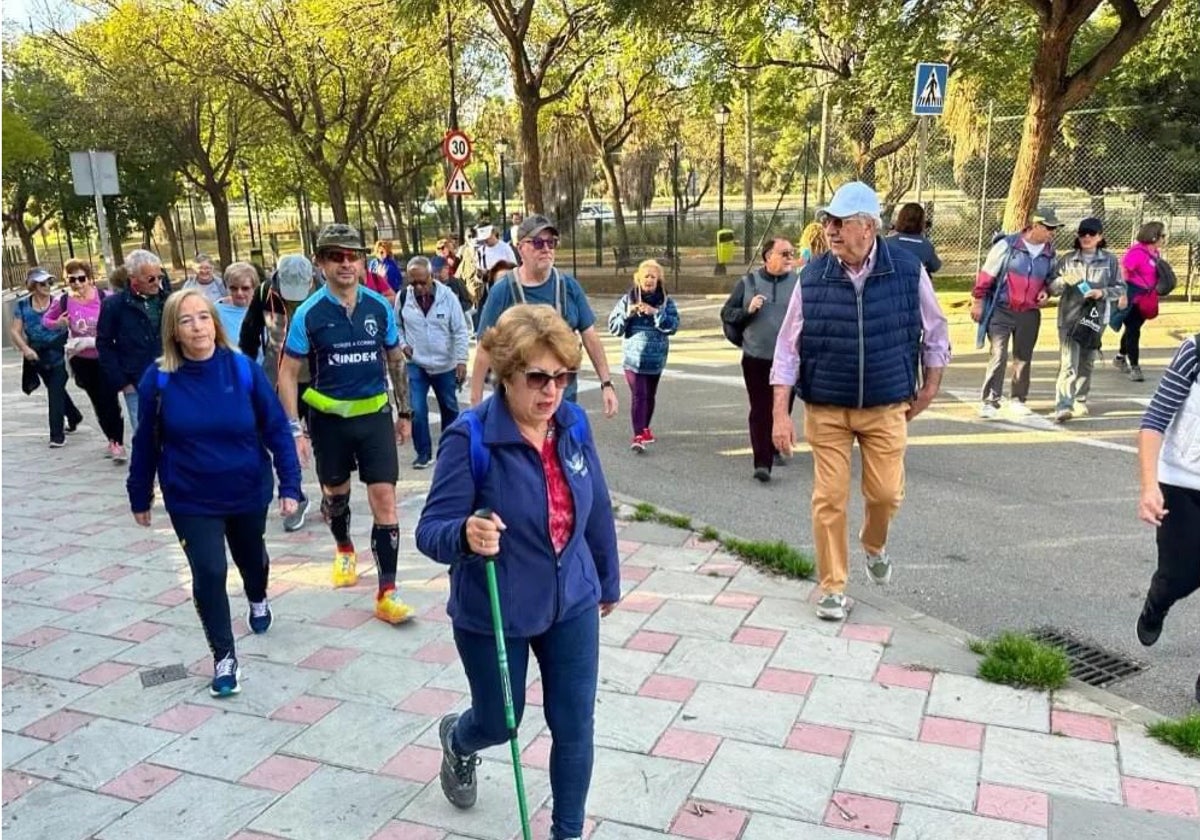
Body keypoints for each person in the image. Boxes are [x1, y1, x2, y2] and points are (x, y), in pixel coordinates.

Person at [415, 305, 620, 840]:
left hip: (570, 600)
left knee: (575, 725)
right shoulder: (471, 438)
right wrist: (464, 534)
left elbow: (595, 505)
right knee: (502, 721)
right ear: (507, 375)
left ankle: (567, 832)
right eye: (537, 378)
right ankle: (459, 741)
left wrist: (606, 576)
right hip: (495, 609)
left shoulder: (572, 425)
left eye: (562, 377)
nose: (551, 391)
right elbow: (430, 529)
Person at [771, 181, 950, 622]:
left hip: (887, 404)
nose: (829, 230)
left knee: (886, 493)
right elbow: (787, 348)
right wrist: (780, 413)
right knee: (828, 497)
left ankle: (874, 544)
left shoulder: (908, 271)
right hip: (827, 406)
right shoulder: (812, 277)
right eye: (827, 221)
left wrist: (929, 386)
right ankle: (832, 586)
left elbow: (936, 329)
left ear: (868, 227)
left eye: (839, 222)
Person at [126, 289, 302, 697]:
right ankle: (224, 657)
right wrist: (139, 494)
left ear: (215, 322)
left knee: (250, 559)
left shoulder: (241, 370)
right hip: (190, 496)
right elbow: (145, 442)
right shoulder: (160, 378)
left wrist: (290, 484)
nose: (197, 326)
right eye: (186, 320)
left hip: (245, 489)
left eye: (203, 317)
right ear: (174, 330)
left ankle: (258, 597)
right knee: (208, 571)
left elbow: (275, 428)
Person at [276, 223, 416, 624]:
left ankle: (387, 592)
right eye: (335, 256)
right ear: (320, 263)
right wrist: (294, 429)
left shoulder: (378, 306)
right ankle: (344, 550)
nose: (346, 263)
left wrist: (404, 412)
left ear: (363, 261)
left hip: (373, 417)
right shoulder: (308, 313)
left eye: (353, 255)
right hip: (329, 421)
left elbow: (395, 360)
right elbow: (287, 374)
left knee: (385, 499)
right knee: (335, 495)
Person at [470, 214, 619, 419]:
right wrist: (475, 405)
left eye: (551, 242)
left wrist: (607, 383)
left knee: (564, 448)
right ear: (521, 248)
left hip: (561, 399)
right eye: (538, 242)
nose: (546, 248)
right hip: (518, 406)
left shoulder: (569, 287)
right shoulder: (503, 291)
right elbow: (484, 348)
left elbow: (590, 336)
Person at [1133, 332, 1200, 703]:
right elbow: (1154, 420)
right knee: (1181, 575)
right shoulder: (1195, 350)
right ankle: (1158, 601)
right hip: (1182, 484)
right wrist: (1148, 487)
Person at [239, 254, 321, 532]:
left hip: (319, 378)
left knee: (324, 440)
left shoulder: (325, 291)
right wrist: (245, 373)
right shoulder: (265, 292)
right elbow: (249, 334)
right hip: (277, 377)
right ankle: (295, 496)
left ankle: (333, 497)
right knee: (285, 438)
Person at [720, 237, 799, 482]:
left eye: (791, 253)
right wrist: (748, 310)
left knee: (782, 408)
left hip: (788, 360)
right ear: (768, 256)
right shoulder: (749, 282)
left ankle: (774, 444)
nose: (789, 258)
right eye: (784, 253)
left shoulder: (799, 284)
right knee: (760, 408)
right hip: (756, 357)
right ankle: (762, 462)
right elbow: (726, 313)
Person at [971, 208, 1061, 419]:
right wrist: (978, 301)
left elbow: (1051, 279)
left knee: (1023, 356)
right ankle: (990, 401)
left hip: (1029, 312)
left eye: (1054, 229)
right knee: (998, 354)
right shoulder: (1008, 245)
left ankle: (1018, 399)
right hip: (1002, 309)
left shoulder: (1049, 253)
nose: (1052, 233)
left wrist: (1046, 292)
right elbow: (987, 274)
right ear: (1036, 226)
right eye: (1049, 228)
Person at [41, 260, 126, 459]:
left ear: (89, 279)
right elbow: (46, 321)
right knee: (98, 402)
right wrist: (59, 323)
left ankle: (118, 441)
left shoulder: (105, 298)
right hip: (82, 361)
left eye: (81, 278)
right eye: (72, 279)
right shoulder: (63, 301)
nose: (77, 283)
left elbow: (120, 322)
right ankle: (112, 440)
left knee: (110, 400)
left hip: (104, 357)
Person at [1047, 217, 1124, 423]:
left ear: (1100, 237)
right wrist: (1063, 281)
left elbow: (1120, 288)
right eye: (1083, 234)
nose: (1087, 237)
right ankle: (1063, 404)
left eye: (1092, 233)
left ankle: (1080, 399)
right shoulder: (1067, 260)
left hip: (1095, 318)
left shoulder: (1109, 261)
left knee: (1087, 361)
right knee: (1068, 362)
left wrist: (1102, 292)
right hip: (1070, 318)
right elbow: (1051, 288)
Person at [395, 256, 469, 470]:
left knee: (449, 409)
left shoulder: (448, 297)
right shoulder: (403, 298)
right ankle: (423, 453)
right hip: (416, 363)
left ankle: (450, 451)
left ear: (431, 277)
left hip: (445, 364)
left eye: (422, 281)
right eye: (413, 282)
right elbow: (396, 326)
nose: (418, 287)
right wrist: (403, 344)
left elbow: (460, 331)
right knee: (417, 409)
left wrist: (461, 360)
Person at [607, 259, 679, 452]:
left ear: (659, 281)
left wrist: (655, 313)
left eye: (653, 277)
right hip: (633, 360)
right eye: (646, 276)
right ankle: (638, 435)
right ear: (638, 279)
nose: (649, 280)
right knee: (639, 395)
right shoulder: (627, 300)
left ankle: (645, 427)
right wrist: (628, 314)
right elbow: (613, 327)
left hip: (656, 360)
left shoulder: (665, 302)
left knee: (650, 395)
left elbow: (672, 326)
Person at [97, 249, 170, 435]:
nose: (157, 283)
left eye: (159, 277)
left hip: (170, 377)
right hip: (135, 381)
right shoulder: (114, 305)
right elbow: (104, 344)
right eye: (150, 279)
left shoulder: (169, 301)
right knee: (145, 436)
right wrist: (122, 381)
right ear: (133, 278)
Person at [11, 268, 83, 448]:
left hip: (61, 351)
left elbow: (78, 321)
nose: (47, 287)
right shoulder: (22, 305)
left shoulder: (60, 301)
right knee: (54, 387)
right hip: (37, 354)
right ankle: (74, 416)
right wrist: (25, 349)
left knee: (55, 391)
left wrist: (66, 324)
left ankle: (56, 435)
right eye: (42, 283)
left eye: (49, 283)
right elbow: (15, 331)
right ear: (33, 286)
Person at [1114, 221, 1166, 383]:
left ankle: (1120, 356)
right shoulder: (1137, 252)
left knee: (1132, 329)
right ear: (1153, 236)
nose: (1164, 239)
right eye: (1162, 235)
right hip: (1133, 296)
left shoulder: (1155, 252)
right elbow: (1124, 269)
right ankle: (1135, 367)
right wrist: (1122, 295)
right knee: (1133, 329)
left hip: (1147, 297)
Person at [886, 203, 942, 274]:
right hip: (915, 283)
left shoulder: (887, 243)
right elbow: (935, 267)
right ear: (922, 223)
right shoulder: (926, 245)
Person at [214, 262, 259, 352]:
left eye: (245, 288)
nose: (239, 293)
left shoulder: (264, 309)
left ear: (254, 287)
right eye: (233, 288)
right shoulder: (215, 311)